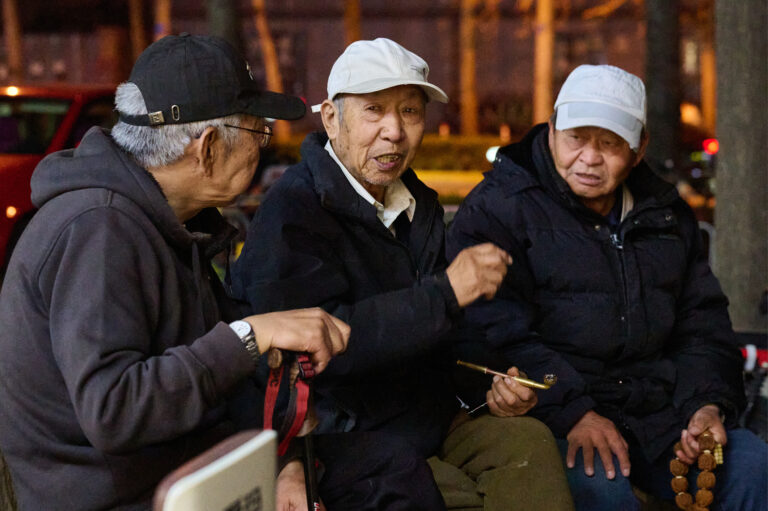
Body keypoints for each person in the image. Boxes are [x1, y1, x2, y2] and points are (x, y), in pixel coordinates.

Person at [0, 34, 354, 511]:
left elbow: (223, 375)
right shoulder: (99, 228)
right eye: (259, 131)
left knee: (378, 465)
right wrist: (250, 336)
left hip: (189, 468)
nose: (262, 147)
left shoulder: (168, 220)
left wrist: (284, 464)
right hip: (126, 496)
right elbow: (113, 410)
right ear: (207, 147)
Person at [230, 38, 574, 510]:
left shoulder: (417, 203)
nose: (394, 131)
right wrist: (445, 293)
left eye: (410, 111)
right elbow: (315, 351)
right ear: (330, 118)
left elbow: (452, 329)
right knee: (453, 495)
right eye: (374, 110)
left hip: (431, 418)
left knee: (527, 442)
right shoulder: (293, 212)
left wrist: (492, 384)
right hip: (346, 440)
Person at [446, 64, 768, 510]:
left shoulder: (665, 215)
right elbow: (492, 332)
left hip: (658, 413)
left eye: (610, 143)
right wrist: (575, 411)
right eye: (576, 138)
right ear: (552, 130)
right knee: (602, 487)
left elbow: (702, 327)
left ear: (639, 149)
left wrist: (706, 405)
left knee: (751, 466)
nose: (590, 158)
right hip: (555, 415)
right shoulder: (499, 208)